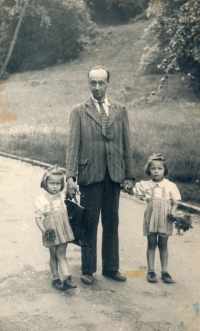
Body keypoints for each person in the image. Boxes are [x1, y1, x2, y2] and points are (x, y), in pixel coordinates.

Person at [66, 65, 135, 285]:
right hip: (90, 174)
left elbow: (126, 144)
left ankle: (111, 267)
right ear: (88, 84)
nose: (97, 87)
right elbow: (72, 146)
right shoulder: (78, 111)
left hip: (114, 175)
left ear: (107, 83)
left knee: (111, 222)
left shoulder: (120, 110)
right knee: (89, 222)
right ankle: (87, 269)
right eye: (92, 83)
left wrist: (129, 175)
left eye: (101, 83)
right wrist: (70, 176)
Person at [128, 153, 181, 283]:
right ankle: (151, 271)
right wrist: (127, 187)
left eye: (160, 168)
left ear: (164, 170)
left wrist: (172, 213)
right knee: (151, 243)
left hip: (165, 218)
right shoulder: (145, 185)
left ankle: (165, 271)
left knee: (163, 245)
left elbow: (176, 201)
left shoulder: (170, 185)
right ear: (149, 169)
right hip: (151, 217)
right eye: (153, 168)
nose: (156, 171)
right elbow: (133, 192)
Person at [34, 165, 77, 290]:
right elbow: (37, 217)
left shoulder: (62, 195)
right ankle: (55, 278)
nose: (55, 186)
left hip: (63, 230)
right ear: (45, 183)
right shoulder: (42, 200)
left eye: (58, 183)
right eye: (52, 183)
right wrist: (44, 231)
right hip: (51, 232)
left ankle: (67, 278)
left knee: (61, 254)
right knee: (53, 255)